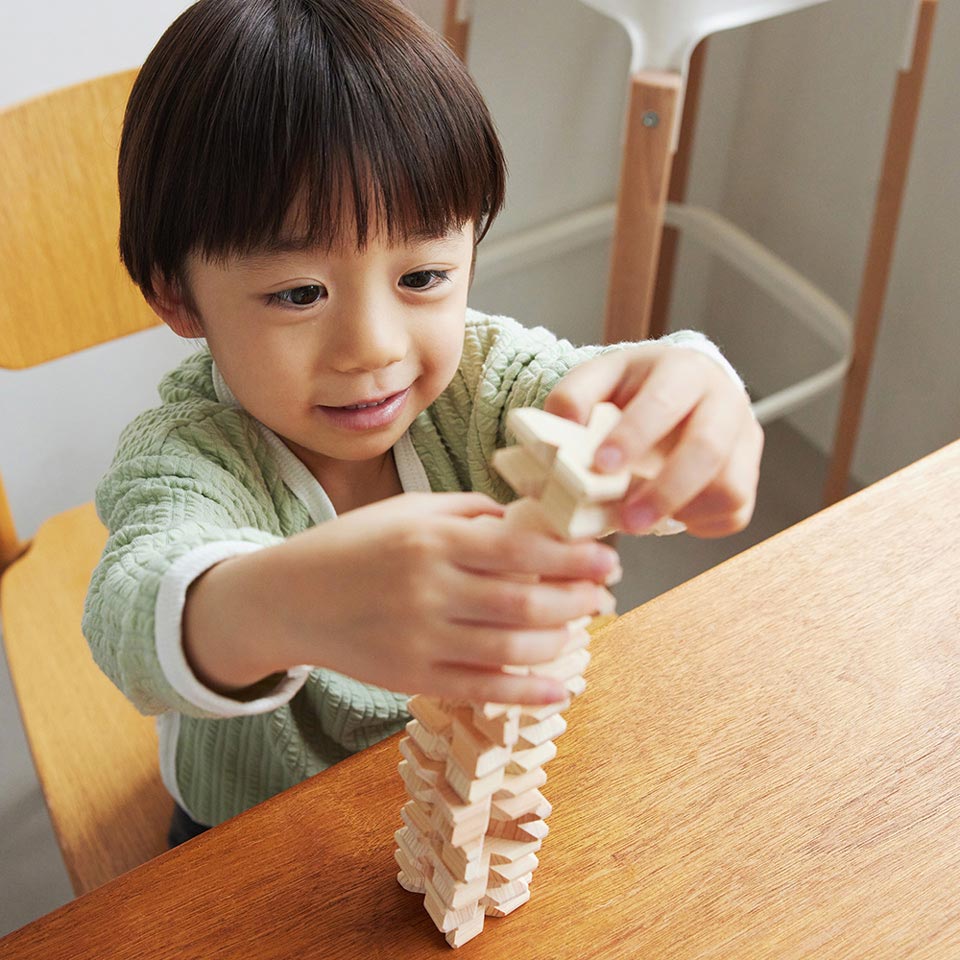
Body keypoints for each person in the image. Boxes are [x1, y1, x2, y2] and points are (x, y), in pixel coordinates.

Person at [82, 0, 763, 847]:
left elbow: (603, 386)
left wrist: (690, 391)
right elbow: (131, 612)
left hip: (492, 791)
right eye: (299, 293)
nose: (374, 346)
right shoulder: (188, 455)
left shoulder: (483, 378)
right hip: (265, 834)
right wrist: (285, 601)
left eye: (423, 277)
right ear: (176, 297)